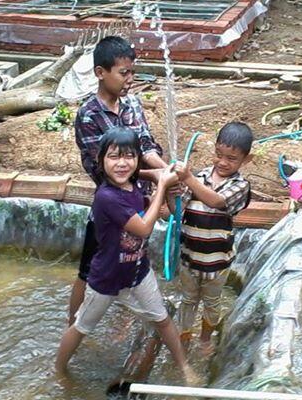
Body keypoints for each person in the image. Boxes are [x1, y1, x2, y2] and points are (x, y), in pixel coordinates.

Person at [55, 128, 196, 383]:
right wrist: (161, 185)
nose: (122, 163)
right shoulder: (106, 197)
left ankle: (184, 367)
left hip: (138, 273)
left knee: (162, 319)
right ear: (101, 161)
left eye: (129, 156)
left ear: (138, 160)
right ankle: (59, 371)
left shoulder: (131, 187)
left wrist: (163, 191)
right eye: (113, 157)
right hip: (106, 280)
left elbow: (153, 210)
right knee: (81, 327)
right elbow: (143, 228)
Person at [70, 36, 168, 325]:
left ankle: (122, 324)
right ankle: (72, 325)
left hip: (138, 202)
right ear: (101, 73)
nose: (129, 79)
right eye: (123, 72)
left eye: (132, 72)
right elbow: (107, 172)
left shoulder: (133, 105)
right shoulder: (88, 116)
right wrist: (159, 177)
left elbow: (147, 146)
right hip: (109, 211)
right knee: (88, 272)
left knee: (134, 263)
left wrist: (166, 169)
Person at [170, 122, 252, 348]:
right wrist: (172, 193)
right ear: (214, 149)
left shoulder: (240, 185)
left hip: (217, 263)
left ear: (246, 159)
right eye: (219, 154)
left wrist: (187, 179)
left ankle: (205, 339)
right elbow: (176, 211)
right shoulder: (201, 176)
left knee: (212, 303)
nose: (223, 162)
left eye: (231, 158)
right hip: (189, 258)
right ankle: (184, 338)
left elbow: (216, 201)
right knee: (187, 300)